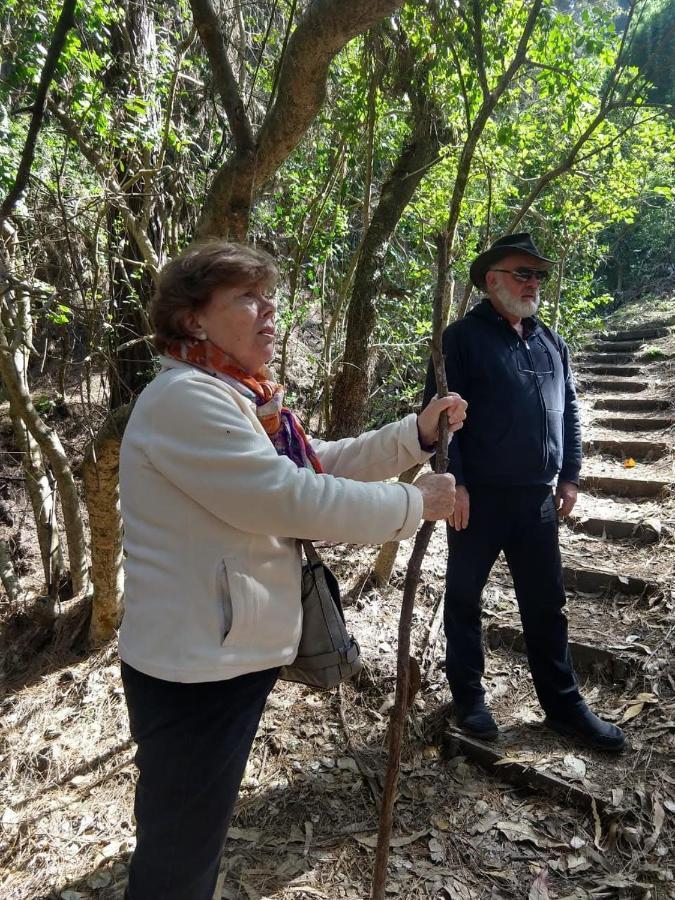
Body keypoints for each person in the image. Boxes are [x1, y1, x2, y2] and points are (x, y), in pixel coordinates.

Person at [118, 240, 467, 900]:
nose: (269, 310)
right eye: (246, 298)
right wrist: (411, 503)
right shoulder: (185, 400)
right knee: (179, 855)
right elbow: (288, 498)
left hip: (220, 654)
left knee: (192, 839)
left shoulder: (238, 395)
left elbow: (314, 466)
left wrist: (412, 437)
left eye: (268, 295)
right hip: (194, 670)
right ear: (193, 320)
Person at [423, 232, 625, 752]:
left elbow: (570, 409)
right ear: (492, 281)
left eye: (538, 275)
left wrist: (571, 474)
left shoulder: (549, 341)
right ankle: (469, 699)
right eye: (523, 273)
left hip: (536, 498)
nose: (533, 283)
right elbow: (442, 418)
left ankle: (563, 706)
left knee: (546, 605)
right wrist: (456, 482)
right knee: (465, 599)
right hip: (479, 499)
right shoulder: (461, 339)